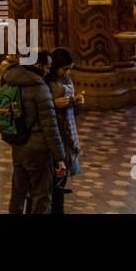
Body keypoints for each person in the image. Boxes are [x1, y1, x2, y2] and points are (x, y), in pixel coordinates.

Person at [0, 49, 66, 214]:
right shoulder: (39, 88)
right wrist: (60, 158)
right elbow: (50, 127)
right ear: (38, 65)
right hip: (37, 149)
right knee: (41, 195)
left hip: (17, 143)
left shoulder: (8, 80)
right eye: (47, 67)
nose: (48, 70)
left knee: (18, 193)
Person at [46, 47, 84, 214]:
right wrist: (54, 105)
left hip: (67, 134)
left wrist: (76, 103)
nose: (67, 72)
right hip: (53, 135)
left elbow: (71, 111)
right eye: (64, 68)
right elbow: (39, 109)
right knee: (53, 182)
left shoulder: (67, 80)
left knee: (61, 180)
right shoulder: (45, 83)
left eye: (69, 68)